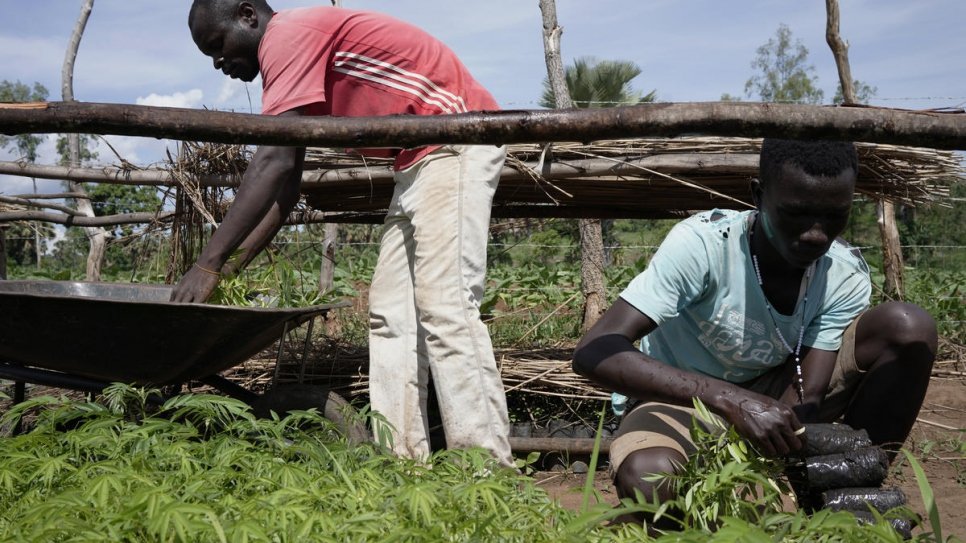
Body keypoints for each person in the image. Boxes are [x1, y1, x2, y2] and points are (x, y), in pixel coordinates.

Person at [177, 0, 513, 467]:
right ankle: (402, 462)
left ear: (248, 16)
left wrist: (206, 265)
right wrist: (231, 266)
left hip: (454, 142)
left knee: (447, 305)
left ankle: (487, 469)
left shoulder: (287, 35)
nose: (218, 61)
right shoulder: (289, 57)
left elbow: (271, 162)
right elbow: (287, 183)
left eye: (218, 45)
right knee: (391, 315)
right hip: (414, 161)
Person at [572, 139, 936, 523]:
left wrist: (776, 446)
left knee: (908, 327)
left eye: (835, 215)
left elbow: (808, 394)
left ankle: (844, 494)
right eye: (796, 213)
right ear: (759, 195)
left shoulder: (841, 274)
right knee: (650, 477)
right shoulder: (704, 246)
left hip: (776, 396)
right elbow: (594, 350)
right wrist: (732, 401)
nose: (816, 234)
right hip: (675, 399)